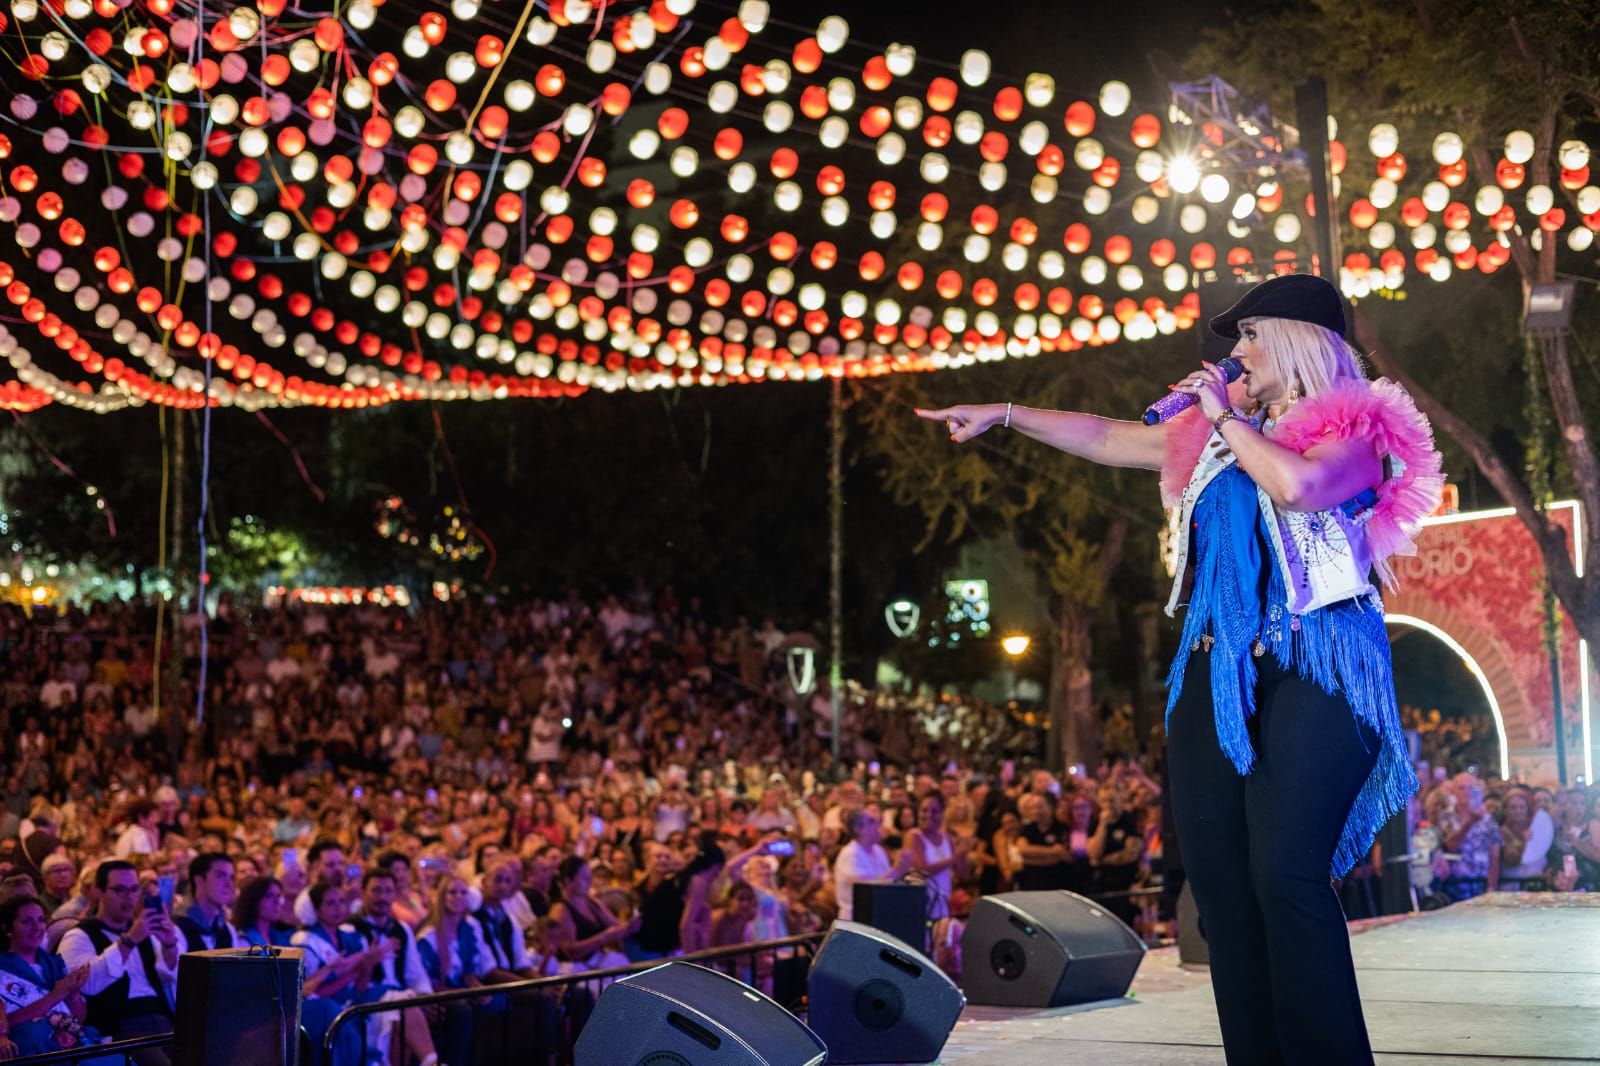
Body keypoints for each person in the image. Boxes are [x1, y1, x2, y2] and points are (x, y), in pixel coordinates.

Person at [922, 272, 1443, 1066]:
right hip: (1213, 671)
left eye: (1252, 334)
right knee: (1224, 892)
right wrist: (1006, 413)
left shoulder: (1358, 430)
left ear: (1299, 342)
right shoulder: (1217, 436)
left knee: (1285, 874)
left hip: (1317, 667)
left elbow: (1301, 486)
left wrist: (1226, 418)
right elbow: (1103, 437)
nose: (1237, 351)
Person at [58, 860, 180, 1066]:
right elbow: (85, 984)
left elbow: (168, 976)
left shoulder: (144, 931)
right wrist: (129, 941)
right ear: (99, 892)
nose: (129, 898)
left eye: (134, 889)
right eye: (120, 890)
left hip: (161, 1016)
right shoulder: (78, 936)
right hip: (121, 1025)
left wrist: (169, 944)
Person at [0, 896, 118, 1064]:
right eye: (27, 921)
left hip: (72, 1046)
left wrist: (74, 994)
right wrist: (56, 994)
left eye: (41, 920)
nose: (37, 927)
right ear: (7, 929)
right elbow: (10, 1023)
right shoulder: (2, 969)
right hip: (35, 1052)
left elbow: (78, 1018)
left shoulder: (53, 964)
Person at [832, 808, 910, 922]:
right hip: (855, 922)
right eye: (872, 821)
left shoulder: (878, 850)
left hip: (877, 917)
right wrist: (896, 870)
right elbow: (868, 891)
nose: (879, 825)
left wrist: (901, 872)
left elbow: (888, 883)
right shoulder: (850, 854)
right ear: (857, 828)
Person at [176, 852, 239, 952]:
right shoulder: (177, 929)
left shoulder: (228, 931)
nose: (229, 884)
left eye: (231, 877)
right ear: (199, 880)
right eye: (220, 876)